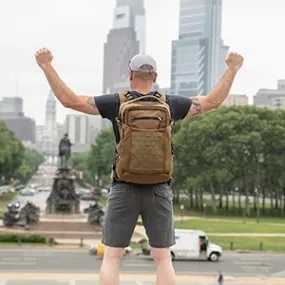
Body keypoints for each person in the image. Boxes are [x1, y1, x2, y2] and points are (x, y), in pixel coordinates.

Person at [35, 47, 243, 285]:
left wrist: (46, 65)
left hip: (124, 187)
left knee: (113, 256)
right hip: (159, 187)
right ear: (154, 77)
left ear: (130, 75)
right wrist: (232, 68)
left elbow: (69, 101)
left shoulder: (116, 103)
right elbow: (213, 101)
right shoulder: (171, 104)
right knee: (163, 258)